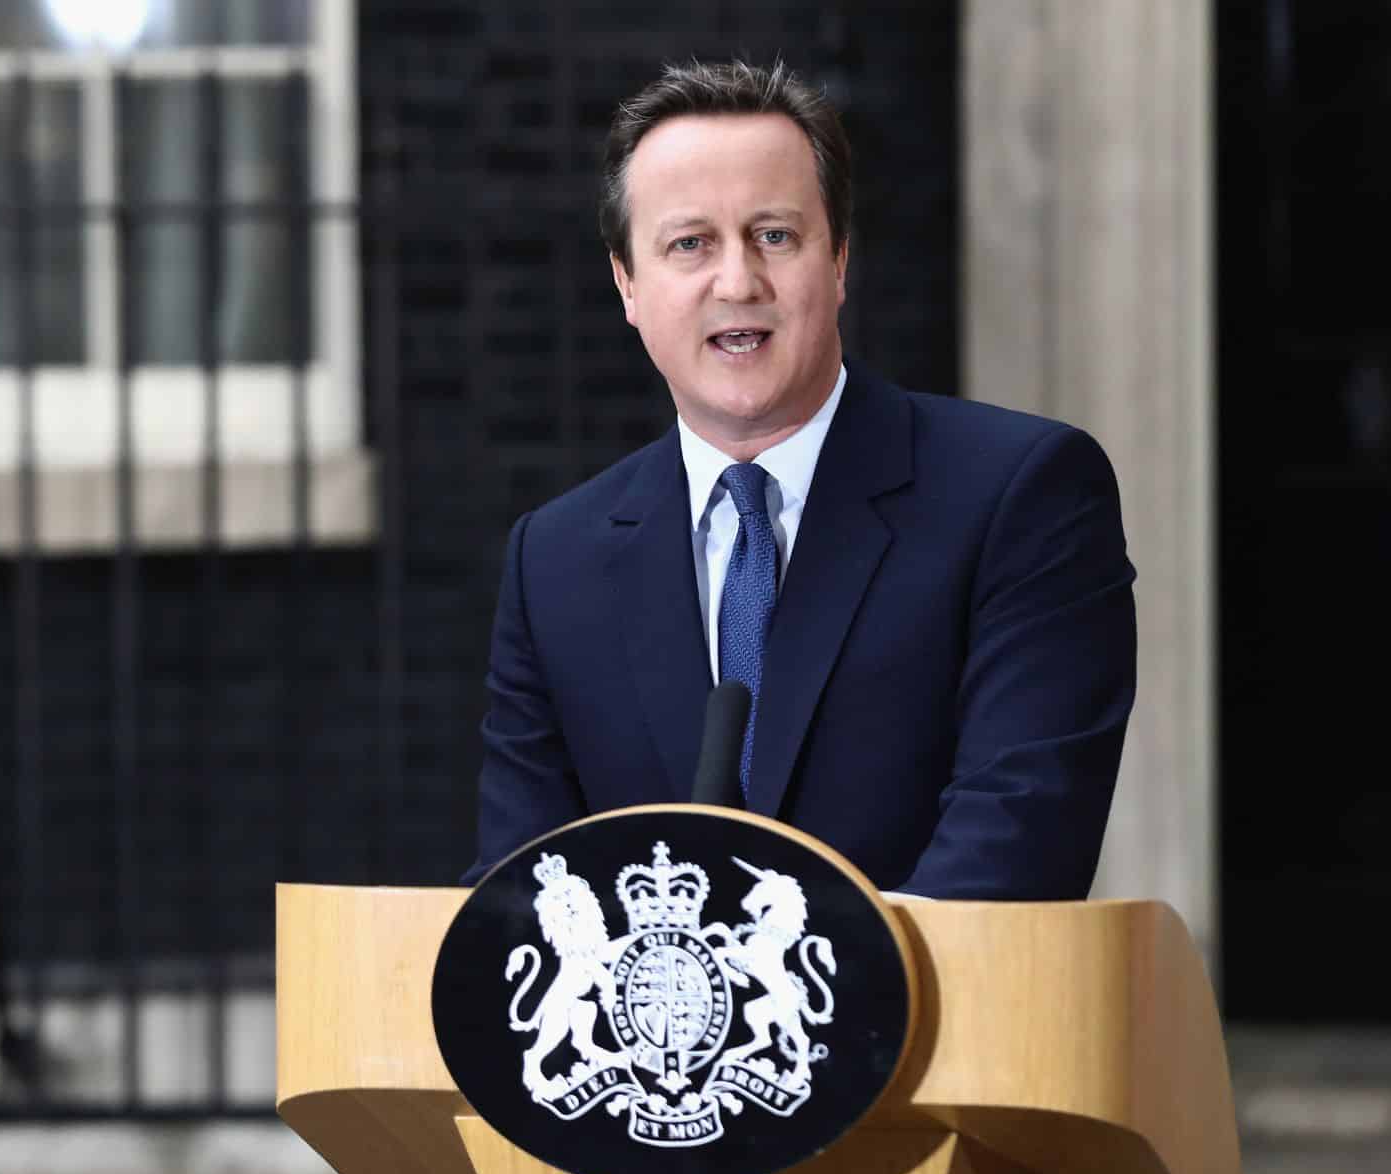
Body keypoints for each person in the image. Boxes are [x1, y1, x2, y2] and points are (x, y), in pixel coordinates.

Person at [463, 59, 1136, 900]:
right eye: (690, 244)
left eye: (774, 235)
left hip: (936, 1023)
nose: (738, 281)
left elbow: (1017, 841)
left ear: (841, 260)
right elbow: (521, 885)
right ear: (627, 285)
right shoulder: (553, 560)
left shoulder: (1021, 496)